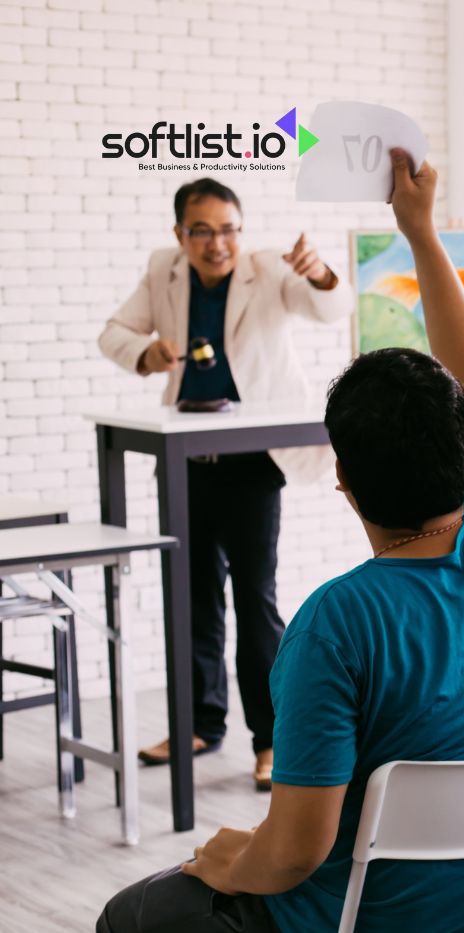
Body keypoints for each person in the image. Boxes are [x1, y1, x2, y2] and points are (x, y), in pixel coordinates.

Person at [97, 152, 464, 933]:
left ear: (342, 478)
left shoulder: (337, 622)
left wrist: (227, 859)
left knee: (132, 912)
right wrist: (419, 230)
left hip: (370, 918)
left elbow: (294, 854)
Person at [98, 178, 353, 788]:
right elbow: (113, 333)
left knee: (254, 602)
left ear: (243, 229)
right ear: (180, 234)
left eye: (229, 229)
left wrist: (317, 273)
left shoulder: (267, 269)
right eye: (204, 230)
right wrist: (147, 353)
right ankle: (199, 724)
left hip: (251, 461)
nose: (219, 244)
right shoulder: (164, 271)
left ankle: (271, 741)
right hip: (185, 456)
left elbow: (329, 308)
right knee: (190, 595)